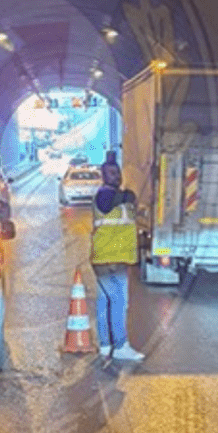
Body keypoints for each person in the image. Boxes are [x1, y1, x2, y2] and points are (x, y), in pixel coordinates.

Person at [90, 151, 146, 361]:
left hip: (112, 259)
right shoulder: (105, 195)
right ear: (104, 176)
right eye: (112, 173)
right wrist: (128, 195)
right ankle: (121, 345)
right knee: (119, 302)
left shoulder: (119, 196)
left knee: (105, 302)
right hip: (109, 260)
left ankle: (105, 345)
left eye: (118, 172)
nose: (117, 176)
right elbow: (115, 200)